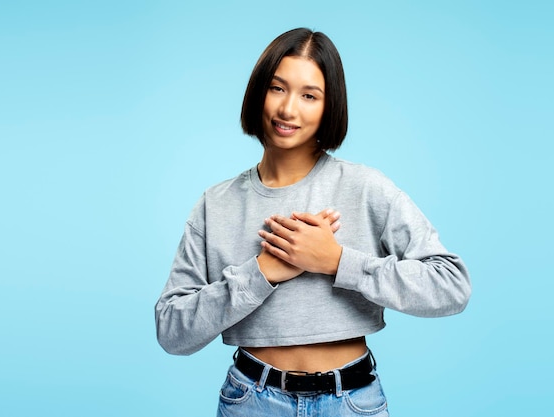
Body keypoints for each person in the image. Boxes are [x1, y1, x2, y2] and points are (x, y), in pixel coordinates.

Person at [155, 28, 471, 416]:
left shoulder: (365, 188)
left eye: (309, 95)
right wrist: (262, 273)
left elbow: (452, 286)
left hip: (351, 402)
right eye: (277, 88)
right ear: (258, 93)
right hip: (251, 402)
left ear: (329, 106)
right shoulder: (215, 204)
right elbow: (172, 331)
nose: (288, 110)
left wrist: (337, 262)